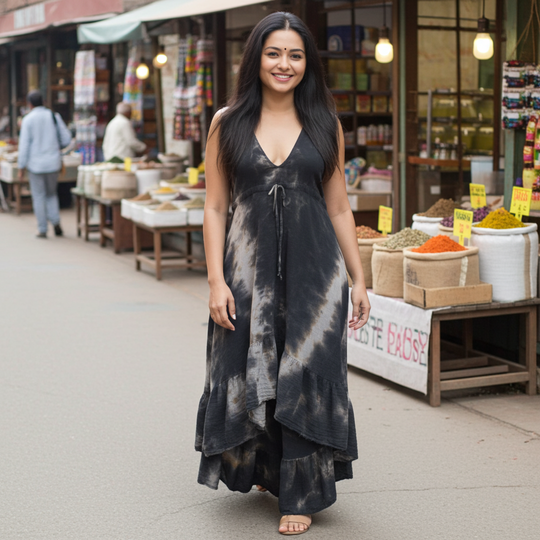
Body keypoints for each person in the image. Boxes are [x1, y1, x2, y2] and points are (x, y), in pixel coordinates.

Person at [195, 12, 370, 536]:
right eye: (274, 53)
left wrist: (358, 278)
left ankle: (301, 493)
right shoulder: (227, 122)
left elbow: (339, 207)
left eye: (295, 55)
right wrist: (214, 280)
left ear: (307, 64)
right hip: (245, 275)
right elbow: (214, 207)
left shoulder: (324, 124)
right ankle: (268, 469)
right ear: (256, 58)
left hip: (316, 278)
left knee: (304, 370)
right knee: (253, 364)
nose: (284, 64)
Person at [18, 90, 72, 238]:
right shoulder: (53, 117)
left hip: (35, 165)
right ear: (44, 102)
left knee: (39, 196)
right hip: (52, 163)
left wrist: (21, 166)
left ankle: (42, 229)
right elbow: (67, 139)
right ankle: (55, 222)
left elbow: (24, 146)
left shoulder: (27, 120)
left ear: (29, 104)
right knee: (51, 194)